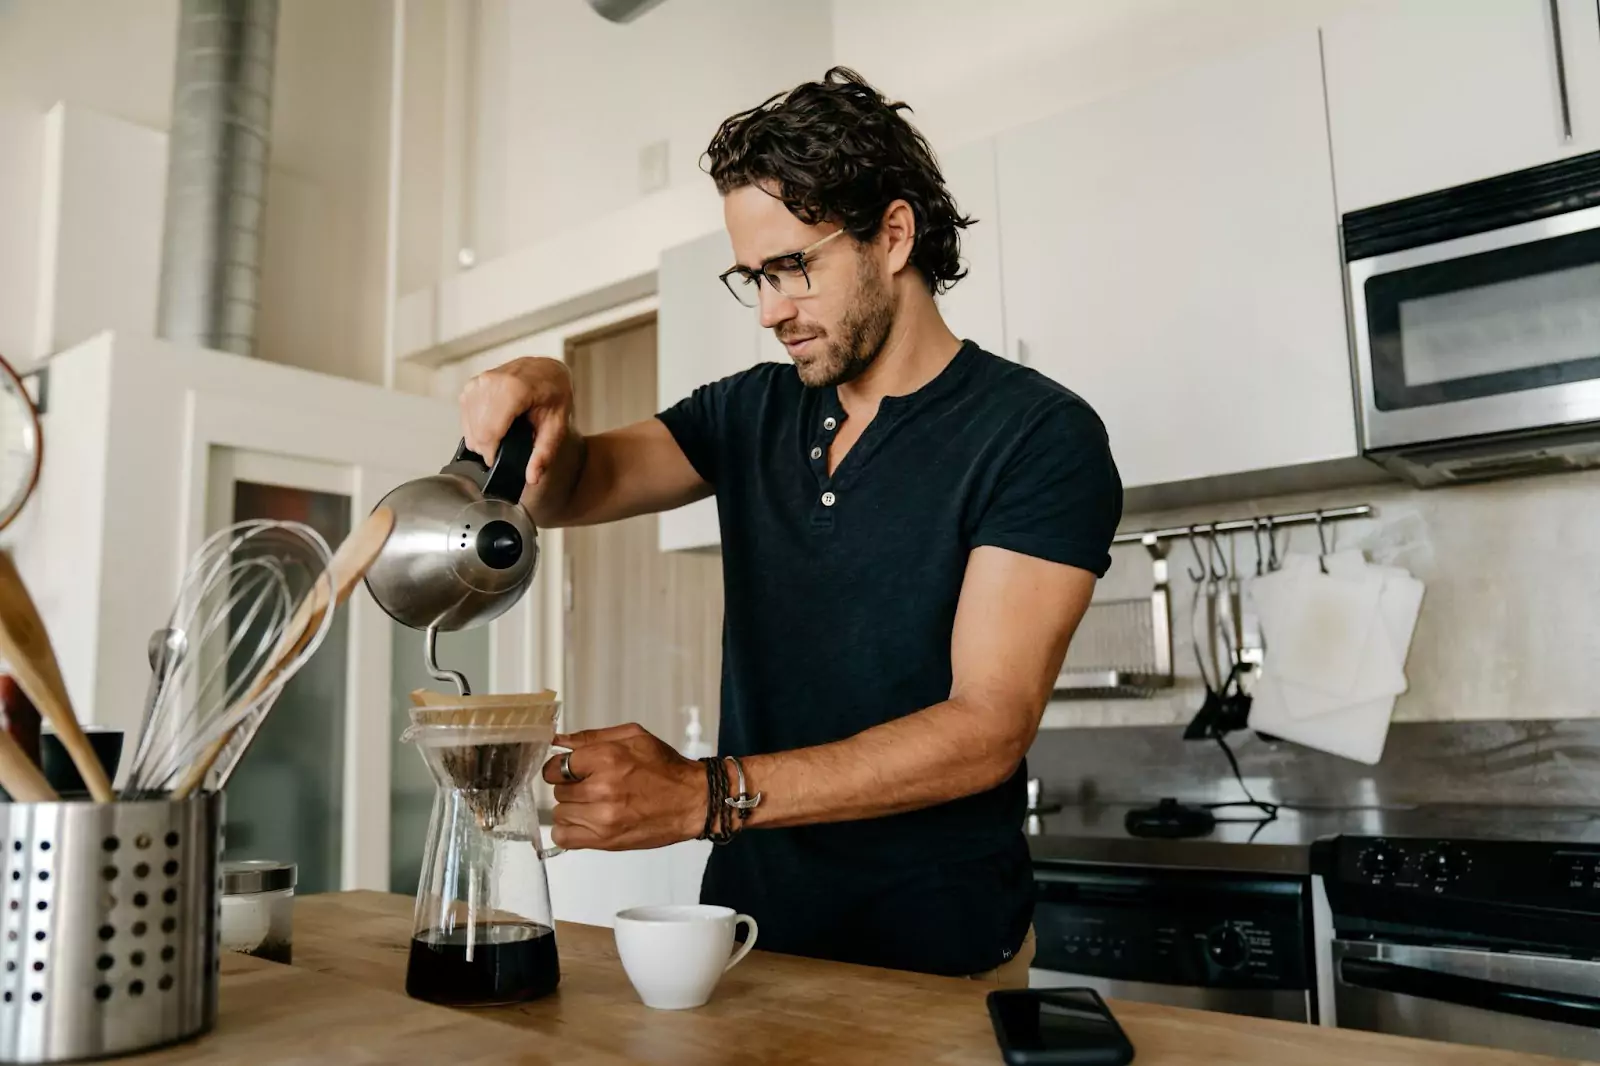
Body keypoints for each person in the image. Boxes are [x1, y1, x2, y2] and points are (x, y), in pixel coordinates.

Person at [458, 67, 1122, 980]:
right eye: (754, 277)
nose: (772, 310)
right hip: (749, 936)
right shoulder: (750, 413)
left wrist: (707, 793)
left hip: (941, 954)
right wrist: (552, 397)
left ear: (894, 234)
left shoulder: (1037, 434)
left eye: (794, 266)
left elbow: (986, 728)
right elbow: (574, 487)